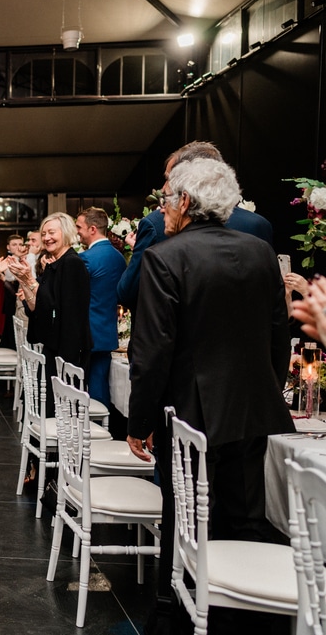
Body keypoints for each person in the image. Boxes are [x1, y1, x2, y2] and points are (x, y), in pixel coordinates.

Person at [126, 158, 293, 633]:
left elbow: (152, 351)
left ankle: (175, 610)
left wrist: (140, 425)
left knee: (186, 516)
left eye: (165, 201)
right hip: (254, 407)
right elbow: (277, 335)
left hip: (190, 413)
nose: (162, 212)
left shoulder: (166, 256)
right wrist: (269, 387)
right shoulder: (260, 252)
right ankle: (242, 616)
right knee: (246, 516)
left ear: (184, 201)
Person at [116, 140, 273, 313]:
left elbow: (128, 293)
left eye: (169, 178)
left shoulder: (156, 225)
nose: (163, 187)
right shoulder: (259, 227)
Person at [9, 212, 91, 405]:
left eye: (51, 232)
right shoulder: (55, 264)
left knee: (62, 411)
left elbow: (60, 308)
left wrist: (30, 280)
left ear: (66, 232)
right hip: (55, 346)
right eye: (44, 233)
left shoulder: (72, 263)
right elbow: (38, 309)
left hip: (68, 350)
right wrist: (24, 282)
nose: (46, 238)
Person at [75, 207, 126, 410]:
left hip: (88, 331)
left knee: (84, 386)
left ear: (92, 229)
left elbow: (76, 296)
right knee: (100, 382)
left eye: (79, 227)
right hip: (107, 330)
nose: (77, 231)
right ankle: (104, 427)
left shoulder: (86, 258)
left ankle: (89, 430)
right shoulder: (119, 258)